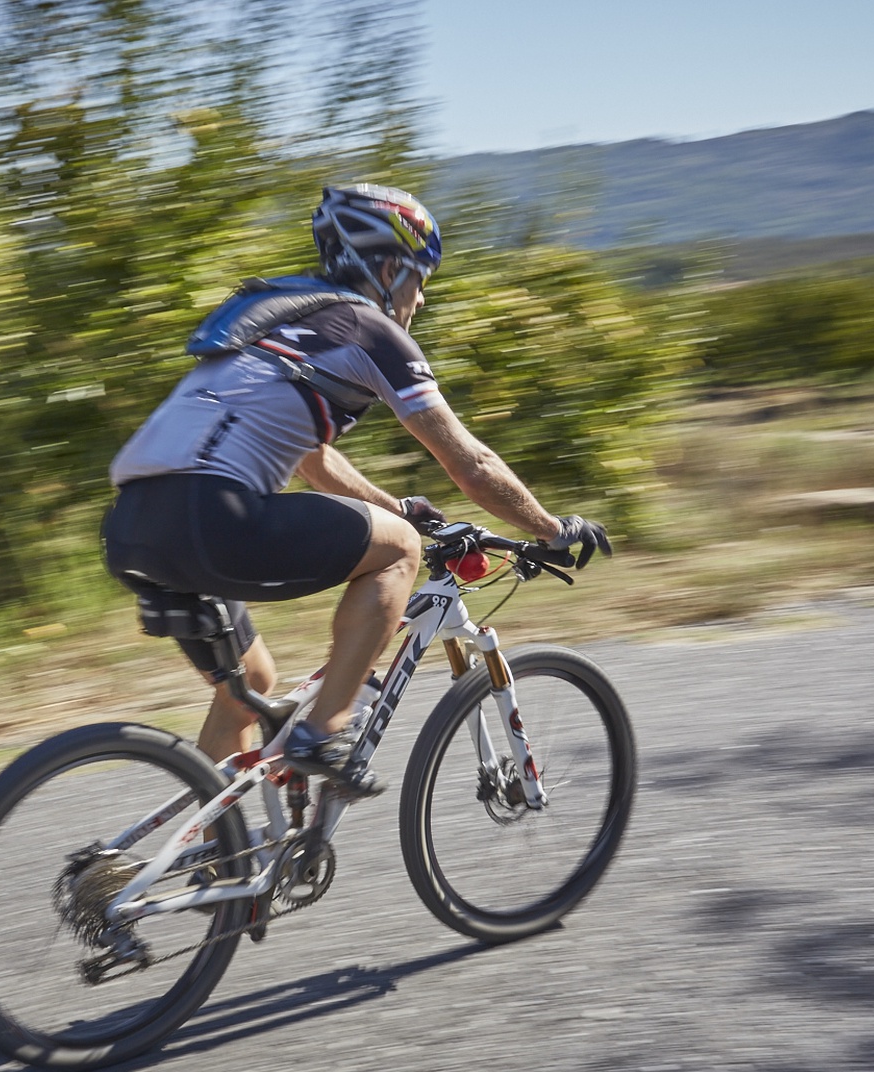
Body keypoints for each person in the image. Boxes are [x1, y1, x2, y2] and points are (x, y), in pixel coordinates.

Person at [101, 184, 611, 793]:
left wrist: (396, 508)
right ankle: (325, 735)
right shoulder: (370, 331)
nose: (420, 298)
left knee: (250, 687)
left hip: (132, 523)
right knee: (399, 552)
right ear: (390, 267)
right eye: (420, 278)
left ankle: (213, 865)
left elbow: (313, 460)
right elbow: (470, 463)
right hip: (212, 517)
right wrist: (552, 530)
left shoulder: (286, 310)